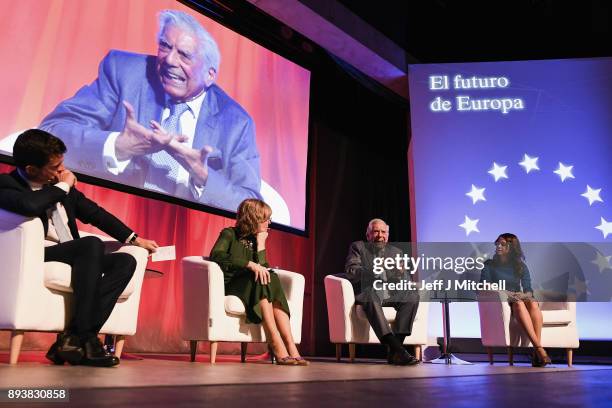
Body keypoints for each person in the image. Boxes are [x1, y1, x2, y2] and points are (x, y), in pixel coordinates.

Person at [39, 9, 261, 212]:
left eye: (184, 55)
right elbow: (51, 132)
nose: (169, 60)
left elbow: (252, 205)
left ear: (210, 75)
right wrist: (117, 146)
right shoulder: (123, 71)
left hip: (186, 226)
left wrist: (203, 176)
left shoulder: (235, 122)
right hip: (107, 209)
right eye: (165, 46)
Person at [0, 129, 158, 367]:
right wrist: (63, 187)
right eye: (55, 166)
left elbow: (96, 214)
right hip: (36, 253)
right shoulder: (7, 183)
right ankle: (87, 339)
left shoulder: (59, 184)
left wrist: (135, 239)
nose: (62, 171)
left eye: (62, 164)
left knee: (125, 261)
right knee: (90, 245)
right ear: (31, 169)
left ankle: (71, 339)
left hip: (74, 253)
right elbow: (29, 204)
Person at [209, 199, 307, 366]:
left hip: (252, 284)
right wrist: (249, 264)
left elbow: (264, 268)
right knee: (261, 278)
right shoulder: (229, 234)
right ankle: (274, 341)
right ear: (253, 218)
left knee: (271, 276)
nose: (269, 223)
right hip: (232, 284)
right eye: (265, 219)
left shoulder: (256, 240)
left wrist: (261, 244)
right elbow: (216, 255)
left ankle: (291, 345)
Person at [343, 218, 420, 365]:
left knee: (412, 295)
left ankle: (395, 350)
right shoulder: (358, 247)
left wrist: (400, 274)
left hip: (389, 293)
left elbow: (406, 280)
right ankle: (399, 350)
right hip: (368, 292)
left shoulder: (396, 252)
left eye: (383, 232)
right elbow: (352, 271)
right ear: (368, 235)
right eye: (376, 231)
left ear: (387, 235)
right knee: (370, 294)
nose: (380, 235)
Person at [480, 233, 551, 367]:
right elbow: (484, 284)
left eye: (502, 244)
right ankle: (539, 350)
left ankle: (537, 351)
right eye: (497, 244)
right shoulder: (489, 265)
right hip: (502, 299)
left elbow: (528, 288)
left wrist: (523, 295)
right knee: (518, 304)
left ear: (511, 248)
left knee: (533, 304)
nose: (498, 246)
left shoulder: (520, 266)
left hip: (518, 297)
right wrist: (507, 293)